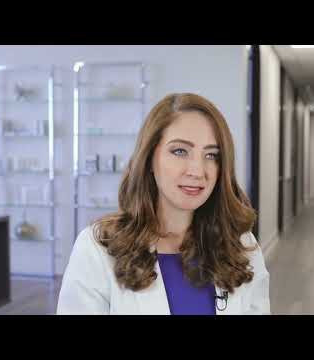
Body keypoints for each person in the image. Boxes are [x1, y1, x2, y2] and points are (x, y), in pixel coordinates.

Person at [56, 93, 270, 315]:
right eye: (180, 151)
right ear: (149, 158)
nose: (197, 171)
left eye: (211, 155)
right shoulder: (97, 248)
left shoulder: (241, 245)